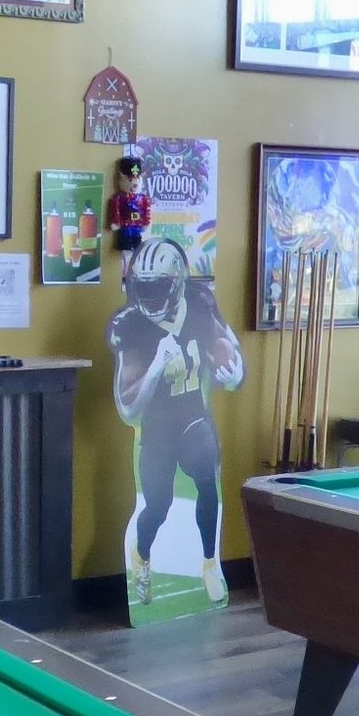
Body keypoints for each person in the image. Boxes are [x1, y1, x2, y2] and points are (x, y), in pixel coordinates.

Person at [108, 235, 244, 606]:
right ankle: (143, 557)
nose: (149, 296)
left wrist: (232, 375)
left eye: (158, 286)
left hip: (191, 413)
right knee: (158, 506)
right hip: (157, 427)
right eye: (143, 287)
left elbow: (228, 348)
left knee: (206, 477)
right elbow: (129, 409)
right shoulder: (129, 324)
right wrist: (155, 367)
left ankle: (209, 563)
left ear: (178, 283)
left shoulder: (200, 303)